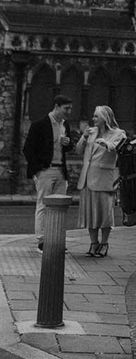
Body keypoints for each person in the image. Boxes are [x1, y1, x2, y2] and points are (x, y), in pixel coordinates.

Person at [23, 95, 76, 253]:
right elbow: (28, 150)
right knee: (43, 206)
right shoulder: (39, 125)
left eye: (70, 108)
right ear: (57, 106)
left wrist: (68, 144)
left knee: (60, 208)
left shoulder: (65, 124)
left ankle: (56, 240)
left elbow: (67, 147)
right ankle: (42, 241)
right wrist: (39, 169)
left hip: (61, 170)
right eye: (66, 108)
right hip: (46, 171)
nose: (69, 111)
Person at [75, 105, 126, 257]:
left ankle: (104, 243)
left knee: (105, 214)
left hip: (104, 179)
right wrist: (83, 137)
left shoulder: (118, 133)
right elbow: (78, 151)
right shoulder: (91, 132)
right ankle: (93, 243)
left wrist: (107, 143)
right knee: (90, 214)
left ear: (105, 118)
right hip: (87, 178)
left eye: (96, 116)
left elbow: (120, 148)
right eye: (94, 116)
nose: (93, 119)